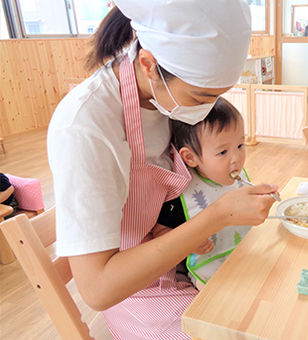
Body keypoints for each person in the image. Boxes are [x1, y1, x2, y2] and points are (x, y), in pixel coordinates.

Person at [47, 1, 278, 338]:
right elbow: (98, 289)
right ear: (148, 64)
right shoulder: (86, 127)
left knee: (271, 304)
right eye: (201, 98)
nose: (205, 111)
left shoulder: (165, 98)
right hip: (137, 289)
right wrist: (217, 216)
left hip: (184, 258)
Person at [154, 97, 252, 286]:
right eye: (223, 152)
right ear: (190, 158)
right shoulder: (181, 193)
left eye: (240, 145)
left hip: (245, 253)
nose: (236, 158)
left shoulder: (237, 177)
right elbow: (159, 233)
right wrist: (189, 242)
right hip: (211, 268)